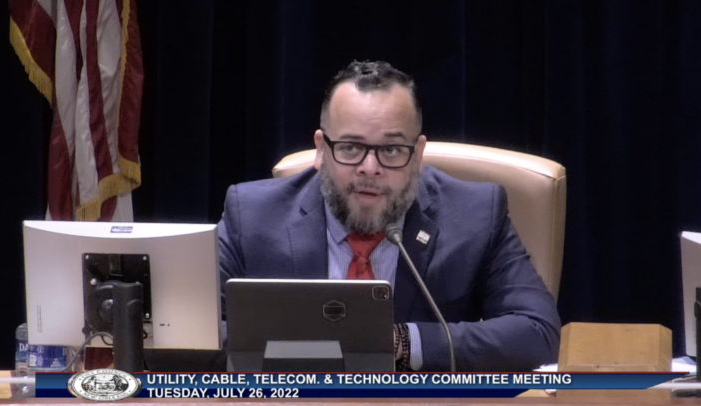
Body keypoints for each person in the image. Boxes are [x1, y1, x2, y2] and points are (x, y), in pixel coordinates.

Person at [218, 60, 560, 371]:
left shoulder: (475, 215)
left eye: (391, 150)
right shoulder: (252, 215)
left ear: (418, 155)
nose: (370, 168)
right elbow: (196, 332)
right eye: (351, 147)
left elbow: (538, 332)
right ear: (321, 150)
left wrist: (402, 342)